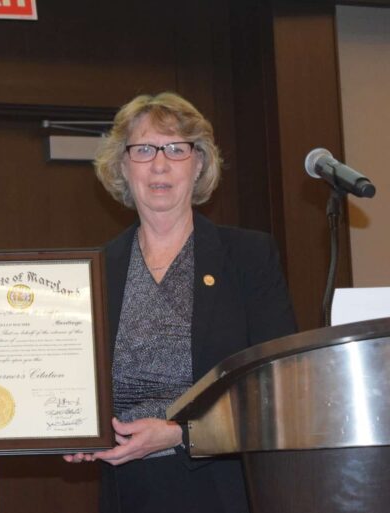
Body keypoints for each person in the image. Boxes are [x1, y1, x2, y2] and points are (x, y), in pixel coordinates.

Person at [64, 92, 297, 512]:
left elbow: (276, 386)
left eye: (176, 149)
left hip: (226, 489)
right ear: (121, 166)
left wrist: (179, 434)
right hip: (126, 490)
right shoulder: (93, 270)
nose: (159, 164)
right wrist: (73, 429)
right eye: (143, 149)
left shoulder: (247, 257)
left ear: (200, 163)